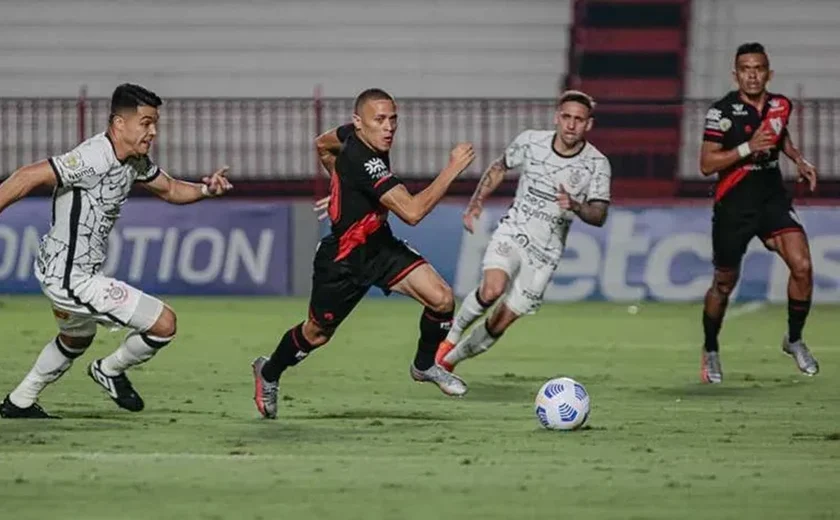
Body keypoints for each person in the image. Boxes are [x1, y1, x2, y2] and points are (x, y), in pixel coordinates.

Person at [0, 83, 232, 419]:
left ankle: (19, 401)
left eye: (155, 124)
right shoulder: (93, 157)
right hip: (70, 278)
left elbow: (168, 188)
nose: (153, 131)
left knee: (75, 339)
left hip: (68, 271)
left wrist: (206, 190)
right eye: (146, 122)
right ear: (118, 123)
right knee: (164, 324)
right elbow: (27, 176)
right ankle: (109, 369)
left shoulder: (134, 160)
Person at [251, 88, 475, 419]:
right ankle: (268, 372)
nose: (389, 128)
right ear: (359, 122)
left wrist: (340, 188)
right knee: (317, 333)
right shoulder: (366, 161)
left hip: (380, 247)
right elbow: (412, 213)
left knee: (441, 299)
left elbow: (321, 145)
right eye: (380, 120)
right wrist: (452, 168)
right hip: (343, 260)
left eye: (393, 119)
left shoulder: (347, 137)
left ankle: (424, 365)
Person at [435, 90, 611, 377]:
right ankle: (449, 339)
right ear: (557, 117)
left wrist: (576, 206)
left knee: (499, 323)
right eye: (566, 117)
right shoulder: (531, 142)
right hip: (513, 232)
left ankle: (449, 360)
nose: (570, 125)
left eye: (579, 120)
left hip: (545, 255)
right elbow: (499, 167)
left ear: (588, 125)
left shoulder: (597, 164)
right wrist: (476, 203)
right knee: (491, 289)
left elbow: (599, 215)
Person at [698, 42, 819, 384]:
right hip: (734, 204)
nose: (752, 74)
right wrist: (748, 147)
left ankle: (793, 340)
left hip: (771, 200)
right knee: (724, 283)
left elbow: (779, 137)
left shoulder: (780, 105)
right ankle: (710, 349)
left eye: (759, 68)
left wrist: (798, 159)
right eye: (746, 69)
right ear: (735, 74)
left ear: (769, 72)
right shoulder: (721, 112)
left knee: (803, 266)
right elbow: (706, 164)